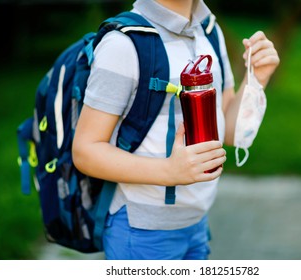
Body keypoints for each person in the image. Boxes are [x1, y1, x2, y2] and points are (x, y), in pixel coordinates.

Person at [72, 0, 279, 260]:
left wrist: (256, 78)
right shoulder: (123, 44)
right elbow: (85, 151)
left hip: (197, 223)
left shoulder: (209, 31)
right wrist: (169, 171)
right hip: (143, 230)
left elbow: (225, 130)